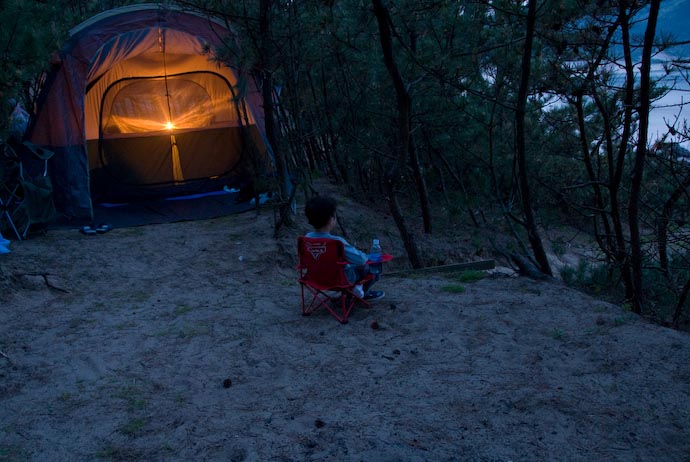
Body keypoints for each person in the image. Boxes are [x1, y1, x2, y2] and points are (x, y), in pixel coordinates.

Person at [304, 195, 385, 301]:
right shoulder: (336, 242)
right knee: (373, 266)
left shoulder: (306, 239)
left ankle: (355, 291)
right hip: (340, 280)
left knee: (349, 266)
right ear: (331, 218)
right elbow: (361, 260)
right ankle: (364, 293)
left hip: (314, 279)